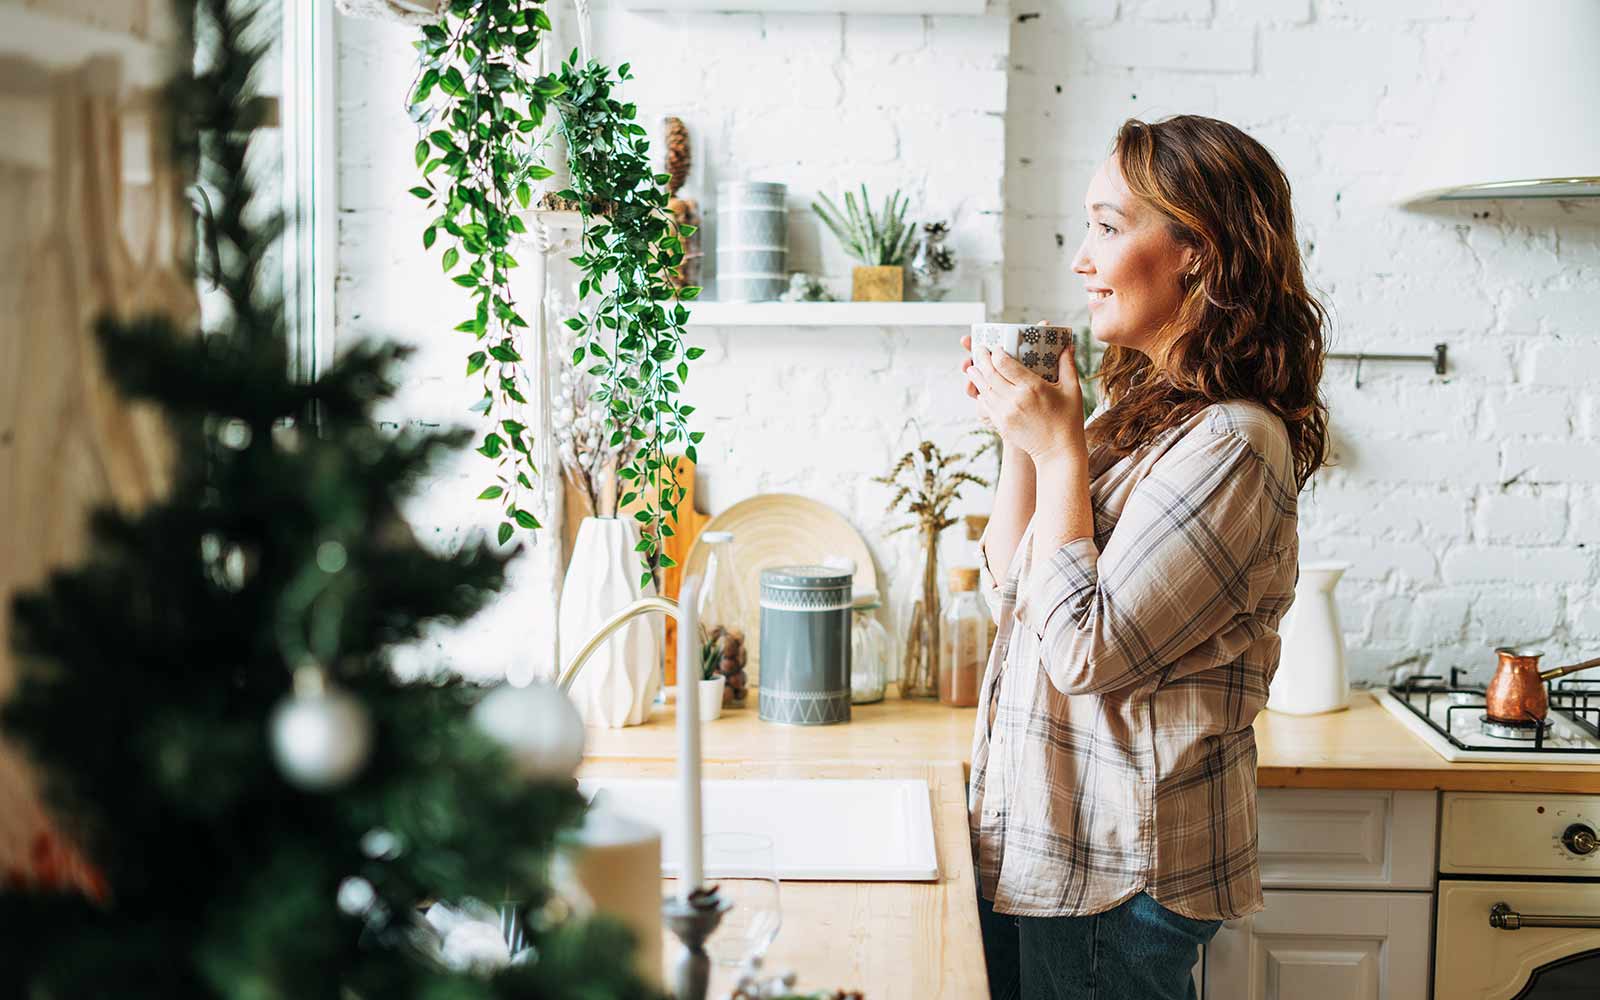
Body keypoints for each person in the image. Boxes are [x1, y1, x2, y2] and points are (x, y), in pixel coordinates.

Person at [961, 115, 1330, 1000]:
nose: (1083, 258)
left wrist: (1057, 454)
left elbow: (1088, 653)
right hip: (1051, 848)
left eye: (1109, 226)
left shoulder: (1233, 441)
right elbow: (1015, 589)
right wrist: (1022, 437)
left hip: (1117, 870)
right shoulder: (1144, 417)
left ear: (1198, 250)